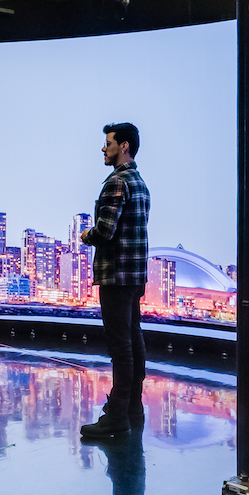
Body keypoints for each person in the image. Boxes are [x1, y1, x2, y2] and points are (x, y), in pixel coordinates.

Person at [79, 121, 149, 440]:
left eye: (108, 143)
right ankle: (134, 406)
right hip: (135, 276)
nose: (103, 148)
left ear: (124, 146)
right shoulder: (140, 183)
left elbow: (105, 231)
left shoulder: (116, 183)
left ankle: (117, 416)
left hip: (115, 275)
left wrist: (86, 235)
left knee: (120, 347)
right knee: (134, 340)